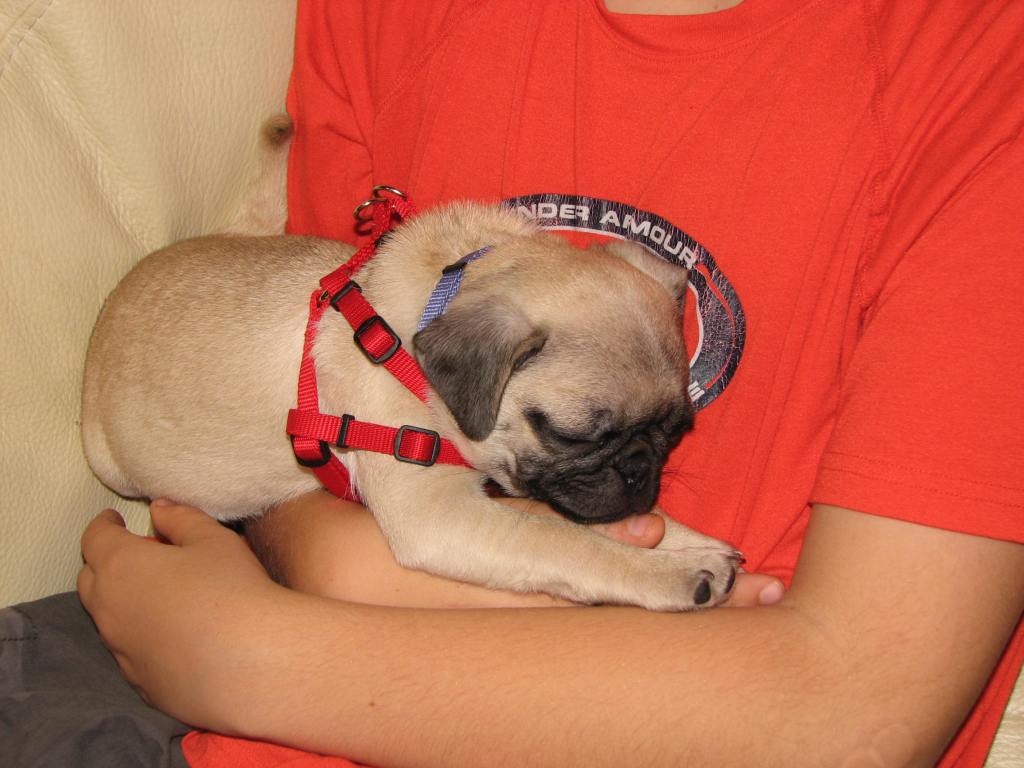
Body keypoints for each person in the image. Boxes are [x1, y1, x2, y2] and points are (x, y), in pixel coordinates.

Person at [78, 1, 1024, 766]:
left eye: (659, 439)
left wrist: (257, 650)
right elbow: (353, 491)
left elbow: (851, 712)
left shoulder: (972, 76)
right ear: (473, 370)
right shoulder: (386, 43)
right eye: (581, 435)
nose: (637, 476)